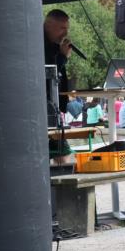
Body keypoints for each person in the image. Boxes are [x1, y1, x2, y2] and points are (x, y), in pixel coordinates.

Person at [43, 9, 73, 160]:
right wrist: (62, 57)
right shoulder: (38, 43)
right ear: (49, 25)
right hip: (43, 107)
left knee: (63, 154)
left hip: (55, 107)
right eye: (62, 28)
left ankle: (60, 181)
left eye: (67, 29)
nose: (65, 33)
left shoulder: (56, 46)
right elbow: (47, 72)